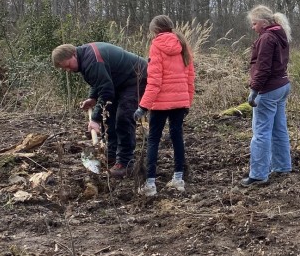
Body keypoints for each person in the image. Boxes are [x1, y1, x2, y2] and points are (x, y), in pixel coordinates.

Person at [52, 42, 147, 178]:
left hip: (136, 77)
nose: (68, 70)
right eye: (64, 68)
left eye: (67, 65)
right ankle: (112, 154)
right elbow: (99, 81)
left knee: (123, 118)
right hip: (119, 82)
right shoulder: (84, 57)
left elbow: (106, 91)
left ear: (73, 54)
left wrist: (95, 119)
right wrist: (92, 97)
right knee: (109, 117)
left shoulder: (91, 60)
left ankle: (126, 163)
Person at [135, 15, 195, 196]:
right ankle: (178, 179)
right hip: (180, 102)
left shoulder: (156, 46)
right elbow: (190, 78)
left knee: (153, 140)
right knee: (177, 138)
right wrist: (187, 102)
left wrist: (142, 107)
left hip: (160, 103)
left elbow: (154, 81)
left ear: (155, 30)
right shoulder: (183, 45)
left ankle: (150, 184)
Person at [241, 5, 292, 187]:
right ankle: (282, 166)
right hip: (283, 86)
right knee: (279, 129)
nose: (252, 27)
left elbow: (263, 68)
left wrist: (254, 90)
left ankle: (258, 174)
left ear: (263, 23)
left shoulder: (266, 38)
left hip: (269, 89)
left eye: (254, 23)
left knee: (261, 133)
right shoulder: (280, 34)